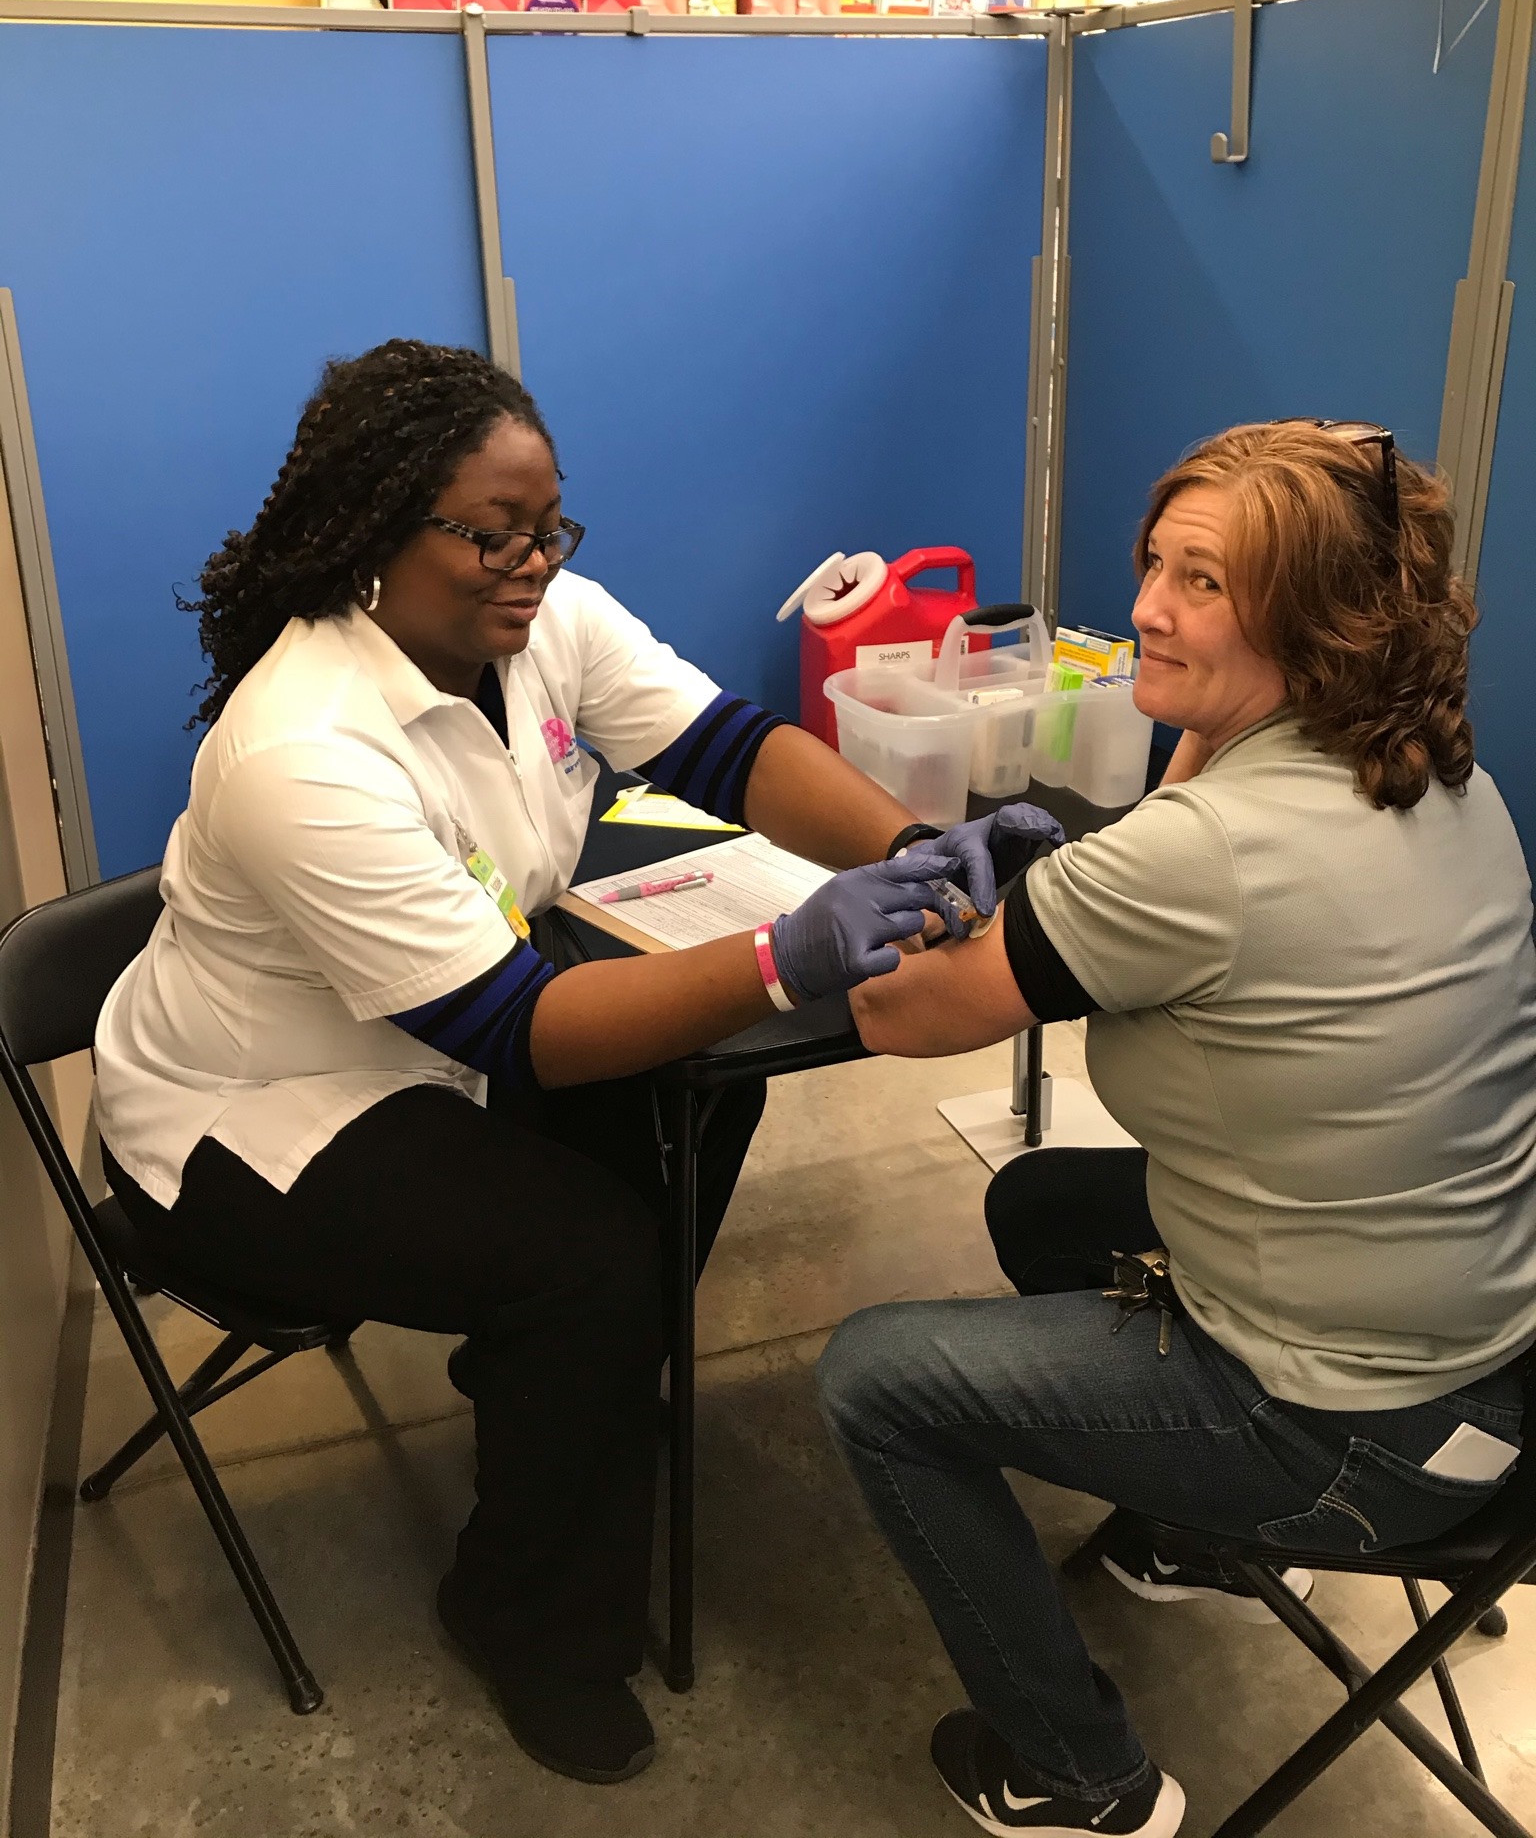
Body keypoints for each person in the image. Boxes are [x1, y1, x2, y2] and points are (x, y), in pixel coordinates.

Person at [93, 338, 1006, 1785]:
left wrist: (917, 848)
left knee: (701, 1097)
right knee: (583, 1257)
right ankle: (524, 1615)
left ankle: (572, 1398)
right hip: (256, 1114)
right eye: (491, 533)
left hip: (436, 1032)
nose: (531, 564)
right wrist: (787, 954)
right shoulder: (300, 751)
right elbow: (519, 1033)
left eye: (547, 526)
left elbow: (728, 748)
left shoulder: (542, 621)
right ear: (372, 532)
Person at [816, 420, 1536, 1838]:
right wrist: (1193, 728)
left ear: (1316, 622)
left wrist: (837, 919)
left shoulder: (1197, 855)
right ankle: (1196, 1535)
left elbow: (899, 1015)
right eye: (1156, 563)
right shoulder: (1435, 770)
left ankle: (1081, 1778)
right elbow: (1187, 862)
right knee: (1041, 1205)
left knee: (874, 1381)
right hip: (1488, 1375)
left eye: (1203, 582)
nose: (1145, 605)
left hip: (1355, 1441)